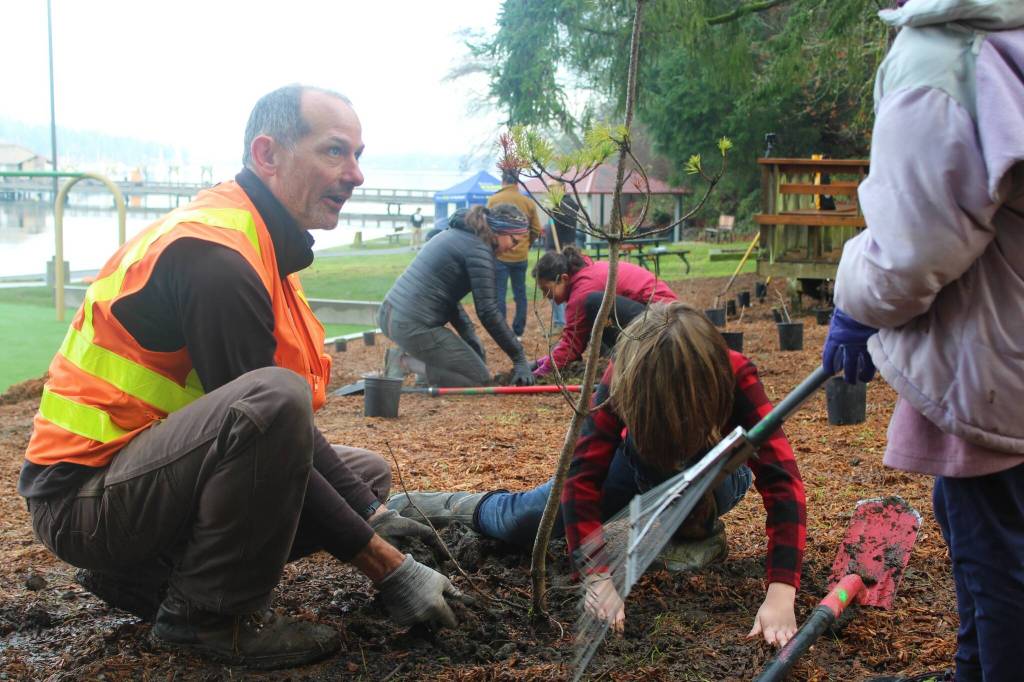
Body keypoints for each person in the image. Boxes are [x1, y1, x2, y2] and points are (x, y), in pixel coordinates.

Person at [18, 85, 464, 670]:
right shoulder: (216, 257)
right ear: (267, 154)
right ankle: (206, 618)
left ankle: (149, 580)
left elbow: (282, 438)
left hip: (139, 482)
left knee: (365, 477)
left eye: (358, 154)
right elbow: (269, 414)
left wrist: (372, 515)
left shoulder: (260, 244)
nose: (355, 173)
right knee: (276, 399)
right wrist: (389, 568)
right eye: (335, 152)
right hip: (82, 502)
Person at [390, 302, 806, 646]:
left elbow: (781, 480)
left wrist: (781, 592)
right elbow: (583, 477)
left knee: (696, 489)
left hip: (719, 474)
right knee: (528, 518)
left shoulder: (732, 373)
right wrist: (597, 577)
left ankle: (695, 526)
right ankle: (447, 505)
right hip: (634, 462)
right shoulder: (623, 377)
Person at [824, 2, 1024, 680]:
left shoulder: (943, 57)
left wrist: (853, 300)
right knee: (984, 525)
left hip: (990, 353)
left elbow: (912, 254)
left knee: (992, 548)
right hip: (1011, 338)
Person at [379, 204, 536, 388]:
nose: (513, 248)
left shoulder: (461, 236)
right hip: (411, 325)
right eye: (514, 241)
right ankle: (405, 362)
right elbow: (488, 312)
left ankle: (421, 373)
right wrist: (519, 359)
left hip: (391, 314)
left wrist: (470, 338)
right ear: (500, 230)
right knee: (478, 378)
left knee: (471, 366)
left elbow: (449, 298)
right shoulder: (479, 249)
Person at [531, 246, 677, 377]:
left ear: (563, 278)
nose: (545, 296)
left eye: (546, 289)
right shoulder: (584, 275)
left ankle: (636, 360)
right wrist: (541, 362)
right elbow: (575, 338)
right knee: (591, 313)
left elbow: (572, 344)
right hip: (659, 317)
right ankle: (620, 361)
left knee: (593, 302)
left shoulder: (583, 290)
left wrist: (540, 372)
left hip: (666, 324)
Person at [487, 168, 543, 339]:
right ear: (517, 181)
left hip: (500, 256)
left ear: (503, 181)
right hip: (521, 256)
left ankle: (502, 331)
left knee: (499, 294)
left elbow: (487, 227)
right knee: (520, 294)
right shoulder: (527, 202)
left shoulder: (493, 200)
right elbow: (536, 229)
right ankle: (518, 332)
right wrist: (526, 244)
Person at [546, 184, 580, 328]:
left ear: (562, 188)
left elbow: (567, 223)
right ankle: (561, 320)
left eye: (552, 186)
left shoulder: (567, 204)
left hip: (561, 252)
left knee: (557, 285)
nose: (549, 190)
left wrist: (554, 210)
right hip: (554, 251)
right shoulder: (558, 204)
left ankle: (562, 321)